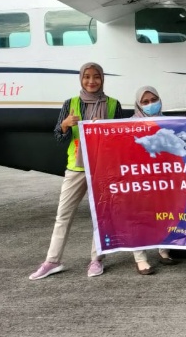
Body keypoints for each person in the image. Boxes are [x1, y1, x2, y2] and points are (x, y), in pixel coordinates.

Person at [28, 62, 133, 280]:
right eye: (87, 77)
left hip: (103, 168)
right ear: (81, 79)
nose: (91, 81)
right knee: (63, 215)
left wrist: (103, 129)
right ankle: (52, 260)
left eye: (96, 77)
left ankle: (96, 259)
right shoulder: (70, 104)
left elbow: (120, 139)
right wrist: (65, 125)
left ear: (102, 79)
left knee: (101, 215)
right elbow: (59, 137)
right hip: (76, 168)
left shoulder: (113, 105)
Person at [133, 85, 176, 268]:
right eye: (145, 102)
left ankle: (163, 249)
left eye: (153, 100)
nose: (151, 104)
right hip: (141, 179)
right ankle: (140, 258)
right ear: (139, 105)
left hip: (164, 178)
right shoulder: (129, 124)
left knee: (164, 215)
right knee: (140, 216)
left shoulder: (170, 122)